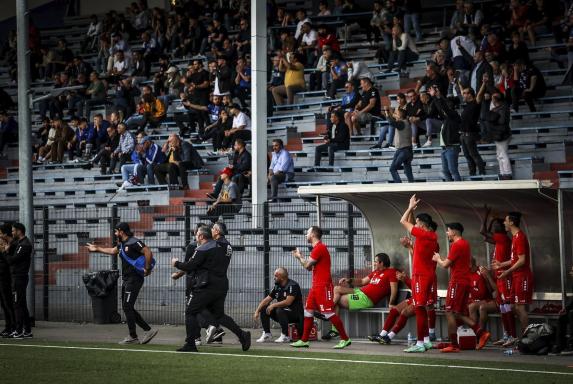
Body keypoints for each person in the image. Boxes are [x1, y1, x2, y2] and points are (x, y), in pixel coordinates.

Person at [171, 226, 251, 352]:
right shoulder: (224, 246)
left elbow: (190, 266)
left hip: (206, 285)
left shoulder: (204, 247)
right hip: (221, 284)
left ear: (202, 236)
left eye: (197, 234)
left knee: (191, 311)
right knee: (219, 315)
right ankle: (242, 335)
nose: (195, 236)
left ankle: (191, 343)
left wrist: (176, 263)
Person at [86, 223, 157, 345]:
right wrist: (96, 248)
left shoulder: (133, 242)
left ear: (121, 231)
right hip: (127, 279)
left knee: (127, 306)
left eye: (115, 231)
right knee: (127, 307)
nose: (115, 234)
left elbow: (148, 251)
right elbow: (113, 250)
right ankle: (146, 331)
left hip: (134, 279)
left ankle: (134, 336)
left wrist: (148, 269)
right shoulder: (122, 245)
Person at [432, 223, 491, 353]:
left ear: (454, 231)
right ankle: (481, 333)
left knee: (449, 312)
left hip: (457, 282)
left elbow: (445, 265)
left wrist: (437, 258)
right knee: (458, 313)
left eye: (448, 231)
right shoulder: (465, 243)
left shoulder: (456, 245)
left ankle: (454, 345)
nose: (447, 233)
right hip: (465, 282)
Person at [290, 226, 351, 349]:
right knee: (308, 311)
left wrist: (299, 257)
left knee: (328, 313)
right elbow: (308, 267)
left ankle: (345, 338)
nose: (306, 235)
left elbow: (306, 264)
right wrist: (300, 257)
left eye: (307, 233)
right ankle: (304, 340)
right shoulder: (316, 249)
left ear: (312, 234)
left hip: (323, 286)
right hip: (316, 286)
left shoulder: (320, 248)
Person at [325, 253, 397, 340]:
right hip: (360, 291)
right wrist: (348, 280)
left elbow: (394, 289)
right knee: (336, 289)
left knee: (338, 300)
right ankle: (328, 312)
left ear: (381, 263)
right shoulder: (375, 272)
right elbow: (362, 281)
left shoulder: (391, 272)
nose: (374, 263)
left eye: (375, 261)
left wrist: (391, 303)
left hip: (366, 298)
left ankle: (331, 322)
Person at [399, 195, 438, 353]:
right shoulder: (430, 236)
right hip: (425, 275)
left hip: (421, 276)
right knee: (421, 308)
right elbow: (411, 223)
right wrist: (413, 210)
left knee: (419, 308)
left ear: (422, 224)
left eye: (417, 223)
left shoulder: (424, 234)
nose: (415, 225)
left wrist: (409, 207)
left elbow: (403, 221)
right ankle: (427, 340)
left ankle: (420, 343)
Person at [495, 212, 534, 343]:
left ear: (511, 222)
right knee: (513, 306)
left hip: (523, 276)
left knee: (520, 307)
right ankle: (519, 337)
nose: (504, 223)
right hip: (517, 276)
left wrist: (507, 272)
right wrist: (502, 264)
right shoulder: (515, 237)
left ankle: (526, 339)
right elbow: (514, 259)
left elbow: (522, 261)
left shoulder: (520, 237)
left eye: (506, 221)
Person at [480, 206, 516, 347]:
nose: (493, 228)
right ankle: (507, 335)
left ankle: (512, 335)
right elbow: (485, 235)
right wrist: (491, 220)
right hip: (500, 277)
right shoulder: (499, 239)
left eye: (495, 226)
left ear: (500, 228)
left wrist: (486, 215)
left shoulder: (502, 238)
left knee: (506, 307)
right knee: (502, 308)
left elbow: (482, 231)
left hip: (505, 276)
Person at [254, 267, 304, 344]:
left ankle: (285, 336)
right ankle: (267, 333)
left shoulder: (293, 286)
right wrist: (257, 311)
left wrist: (273, 305)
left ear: (281, 277)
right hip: (282, 314)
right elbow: (266, 300)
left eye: (276, 276)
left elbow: (288, 302)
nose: (274, 278)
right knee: (264, 308)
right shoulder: (277, 286)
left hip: (295, 315)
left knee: (279, 309)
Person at [5, 223, 33, 338]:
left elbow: (12, 260)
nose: (12, 233)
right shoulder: (19, 243)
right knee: (21, 303)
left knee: (17, 304)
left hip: (19, 277)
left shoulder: (24, 245)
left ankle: (19, 330)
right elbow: (12, 244)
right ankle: (27, 330)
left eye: (13, 231)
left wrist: (5, 252)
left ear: (19, 231)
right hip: (18, 277)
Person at [428, 85, 462, 181]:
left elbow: (444, 107)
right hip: (444, 148)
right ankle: (451, 189)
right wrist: (436, 96)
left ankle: (459, 189)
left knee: (453, 170)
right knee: (446, 172)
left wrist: (436, 96)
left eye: (449, 103)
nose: (447, 105)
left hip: (452, 147)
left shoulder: (454, 115)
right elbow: (440, 108)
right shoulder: (446, 117)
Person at [459, 87, 485, 176]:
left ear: (470, 94)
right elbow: (461, 88)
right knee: (467, 156)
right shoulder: (467, 105)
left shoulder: (475, 103)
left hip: (470, 134)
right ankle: (472, 174)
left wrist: (484, 84)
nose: (463, 94)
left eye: (465, 93)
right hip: (463, 135)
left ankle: (482, 173)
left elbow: (479, 95)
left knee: (474, 155)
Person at [384, 106, 414, 183]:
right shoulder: (405, 122)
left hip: (403, 150)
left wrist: (387, 113)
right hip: (408, 150)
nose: (394, 114)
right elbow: (393, 121)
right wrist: (390, 113)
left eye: (396, 113)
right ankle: (412, 185)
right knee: (408, 169)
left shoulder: (402, 123)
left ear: (400, 116)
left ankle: (399, 184)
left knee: (393, 169)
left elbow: (391, 122)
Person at [0, 223, 15, 337]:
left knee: (8, 303)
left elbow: (9, 262)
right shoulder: (4, 244)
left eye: (0, 233)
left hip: (6, 277)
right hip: (2, 277)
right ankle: (8, 326)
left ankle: (13, 327)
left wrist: (4, 251)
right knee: (4, 303)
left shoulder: (12, 245)